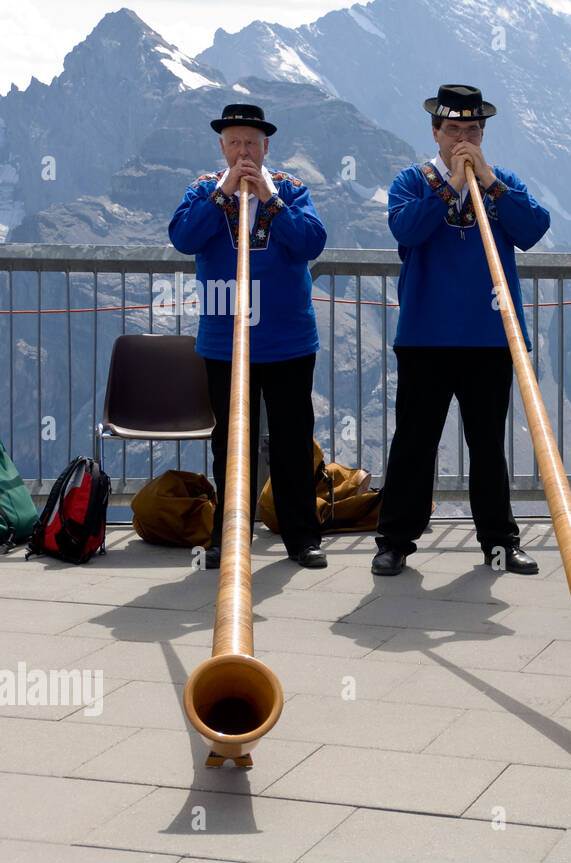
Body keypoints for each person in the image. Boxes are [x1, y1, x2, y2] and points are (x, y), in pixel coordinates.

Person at [372, 85, 550, 577]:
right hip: (426, 337)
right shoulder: (413, 180)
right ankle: (394, 541)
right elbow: (406, 231)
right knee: (414, 442)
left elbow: (533, 230)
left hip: (492, 337)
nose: (464, 138)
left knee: (489, 445)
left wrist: (489, 181)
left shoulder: (502, 182)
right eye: (454, 130)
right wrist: (451, 185)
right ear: (436, 133)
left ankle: (500, 542)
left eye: (473, 130)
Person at [169, 103, 328, 570]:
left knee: (292, 440)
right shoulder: (203, 190)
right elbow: (183, 237)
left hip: (288, 341)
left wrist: (272, 202)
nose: (244, 153)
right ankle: (227, 535)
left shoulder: (292, 190)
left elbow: (311, 243)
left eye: (252, 144)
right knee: (231, 443)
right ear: (222, 146)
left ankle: (302, 537)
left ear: (266, 148)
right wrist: (221, 195)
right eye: (235, 143)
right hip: (224, 340)